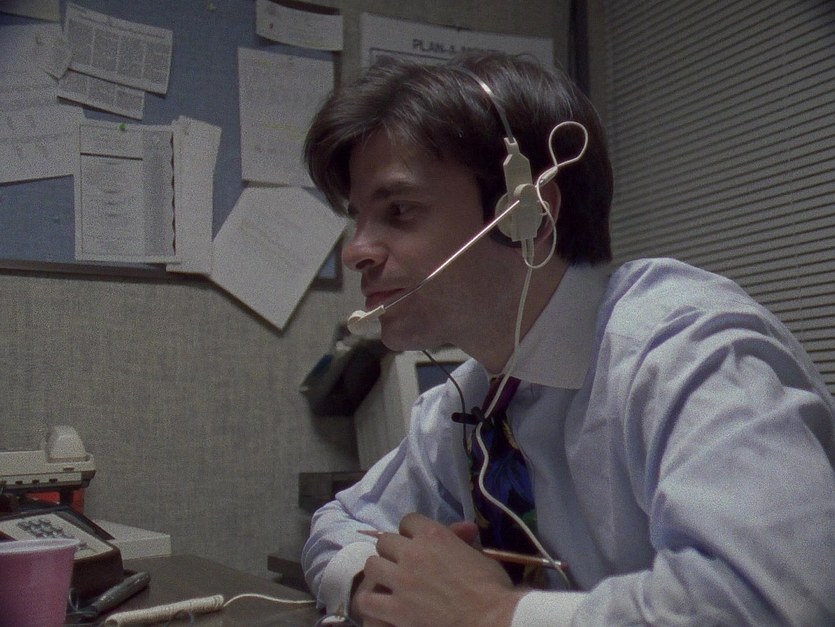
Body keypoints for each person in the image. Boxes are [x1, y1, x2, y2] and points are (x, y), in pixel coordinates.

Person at [300, 51, 835, 626]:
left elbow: (777, 602)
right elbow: (338, 524)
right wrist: (374, 585)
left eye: (399, 210)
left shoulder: (689, 355)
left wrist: (496, 614)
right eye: (358, 217)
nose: (356, 250)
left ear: (525, 217)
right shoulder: (470, 403)